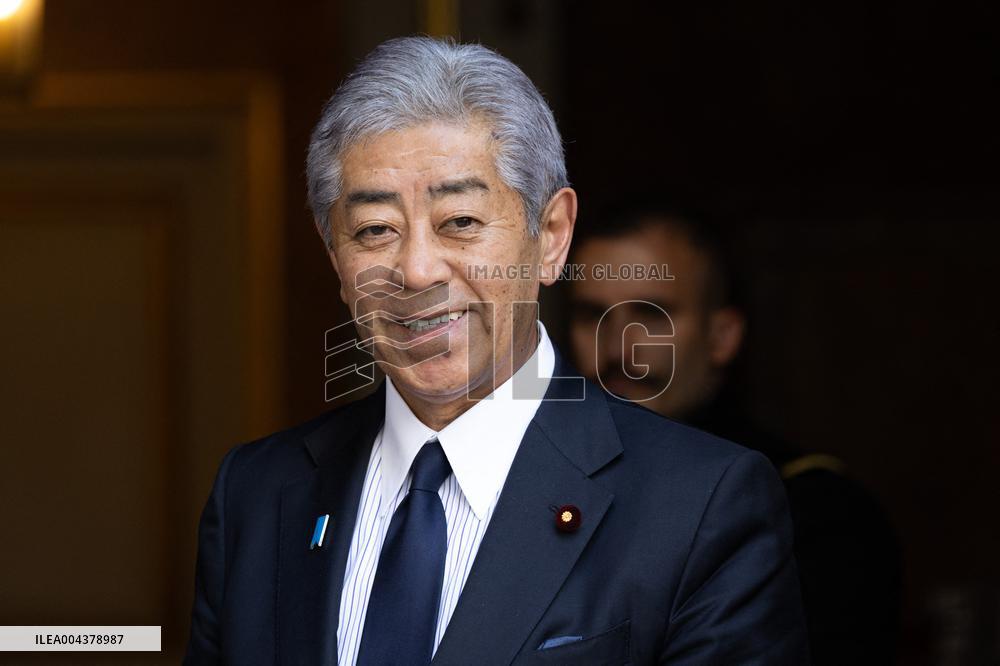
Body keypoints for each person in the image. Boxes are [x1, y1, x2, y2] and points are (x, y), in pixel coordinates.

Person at [185, 37, 809, 665]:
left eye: (460, 222)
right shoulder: (259, 495)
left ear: (552, 238)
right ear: (335, 259)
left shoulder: (699, 505)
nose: (417, 270)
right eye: (375, 231)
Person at [568, 205, 901, 665]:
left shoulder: (811, 508)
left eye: (655, 315)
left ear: (722, 334)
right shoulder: (538, 486)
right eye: (593, 316)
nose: (621, 349)